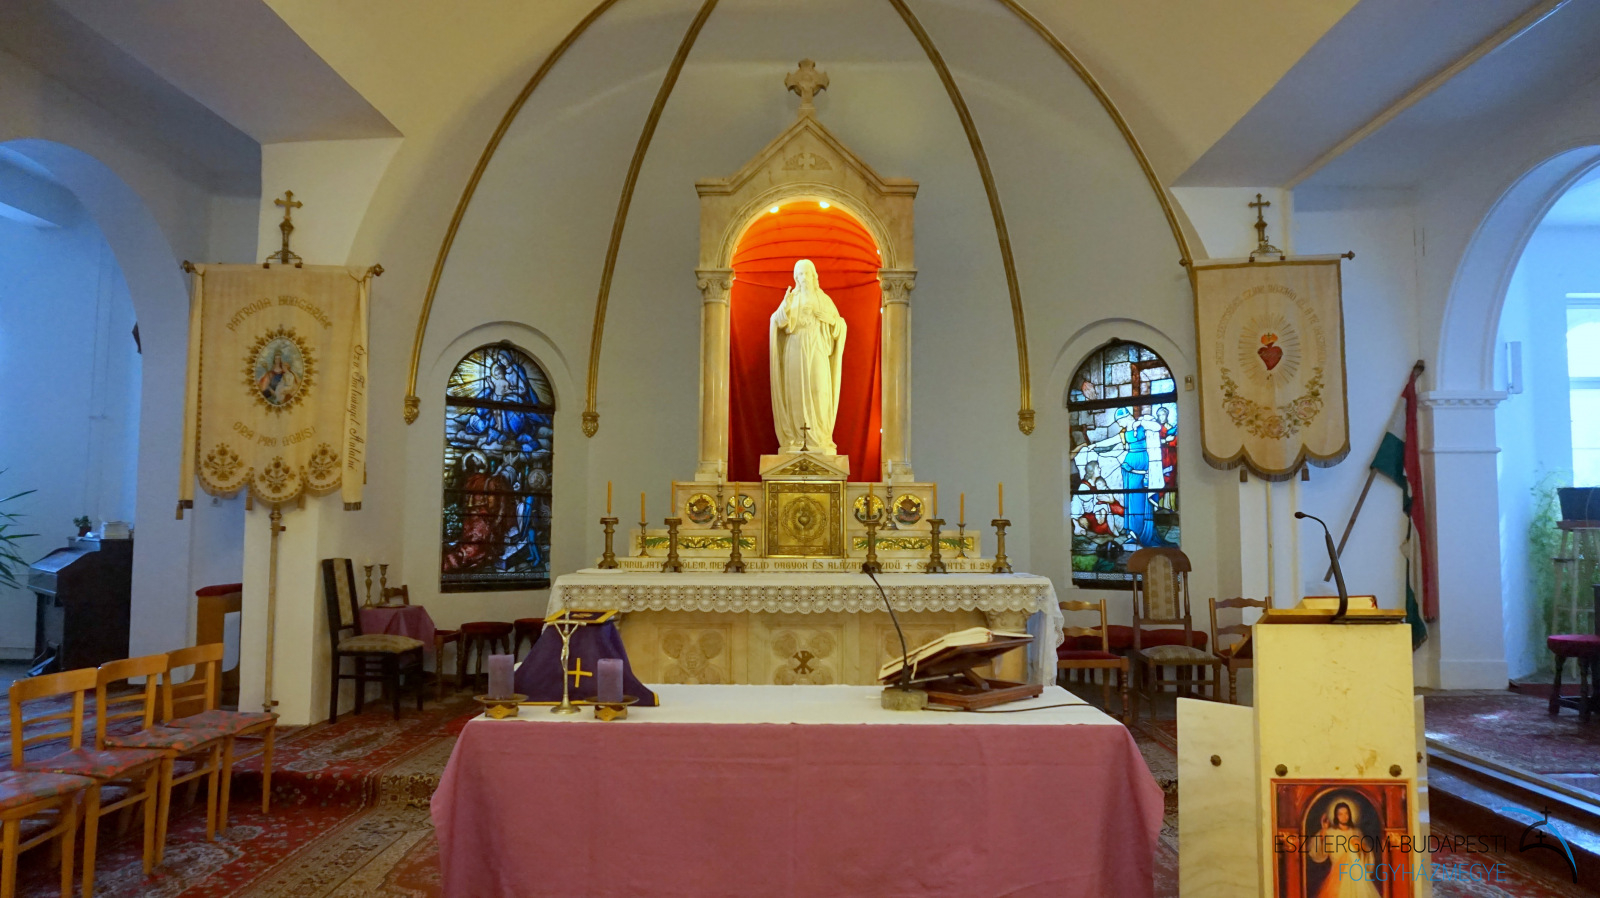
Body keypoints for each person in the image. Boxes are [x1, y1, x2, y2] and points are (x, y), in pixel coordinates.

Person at [770, 259, 846, 454]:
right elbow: (776, 321)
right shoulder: (792, 299)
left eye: (807, 274)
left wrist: (832, 322)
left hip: (818, 347)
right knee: (796, 393)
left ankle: (820, 437)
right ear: (796, 278)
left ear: (814, 276)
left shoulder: (824, 300)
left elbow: (840, 325)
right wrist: (784, 307)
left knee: (819, 390)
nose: (804, 278)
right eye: (800, 275)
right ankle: (797, 438)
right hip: (795, 347)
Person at [1307, 801, 1382, 898]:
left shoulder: (1356, 832)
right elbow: (1319, 851)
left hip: (1355, 874)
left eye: (1346, 813)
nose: (1344, 816)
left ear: (1350, 814)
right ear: (1336, 816)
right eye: (1340, 814)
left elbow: (1366, 852)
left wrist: (1360, 846)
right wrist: (1324, 830)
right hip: (1337, 874)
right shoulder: (1331, 832)